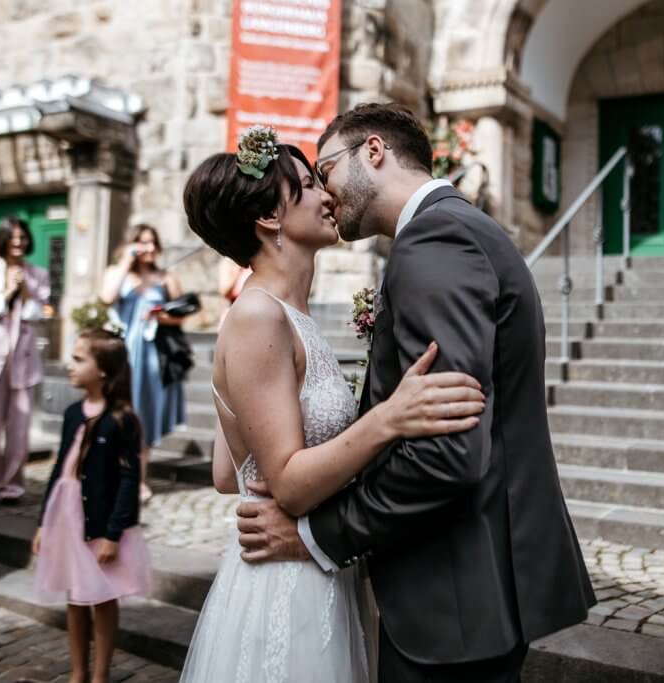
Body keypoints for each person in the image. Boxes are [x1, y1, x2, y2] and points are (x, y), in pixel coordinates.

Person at [236, 103, 595, 682]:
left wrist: (316, 536)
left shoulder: (435, 241)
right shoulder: (460, 230)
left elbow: (444, 453)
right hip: (471, 584)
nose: (326, 195)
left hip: (452, 591)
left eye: (325, 172)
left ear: (372, 151)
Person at [177, 127, 486, 682]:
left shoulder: (285, 316)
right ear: (271, 217)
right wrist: (388, 418)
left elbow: (230, 473)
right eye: (308, 184)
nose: (327, 195)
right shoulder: (256, 317)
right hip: (285, 583)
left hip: (313, 566)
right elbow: (289, 483)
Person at [32, 327, 152, 683]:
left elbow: (130, 480)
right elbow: (59, 468)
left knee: (101, 596)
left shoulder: (122, 420)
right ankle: (77, 671)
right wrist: (43, 523)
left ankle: (100, 674)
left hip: (98, 520)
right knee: (74, 592)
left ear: (102, 369)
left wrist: (114, 533)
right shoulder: (72, 413)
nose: (70, 365)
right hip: (66, 515)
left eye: (79, 359)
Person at [99, 224, 186, 503]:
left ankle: (137, 480)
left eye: (152, 243)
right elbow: (107, 297)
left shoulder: (165, 276)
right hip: (121, 353)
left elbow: (184, 312)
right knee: (116, 415)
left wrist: (159, 316)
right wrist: (127, 260)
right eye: (141, 243)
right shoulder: (117, 272)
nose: (147, 249)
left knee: (142, 419)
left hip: (151, 355)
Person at [0, 216, 50, 506]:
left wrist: (24, 288)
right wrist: (6, 290)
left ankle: (12, 485)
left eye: (23, 238)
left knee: (19, 429)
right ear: (3, 239)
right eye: (13, 237)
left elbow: (36, 314)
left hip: (24, 361)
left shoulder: (38, 273)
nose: (18, 243)